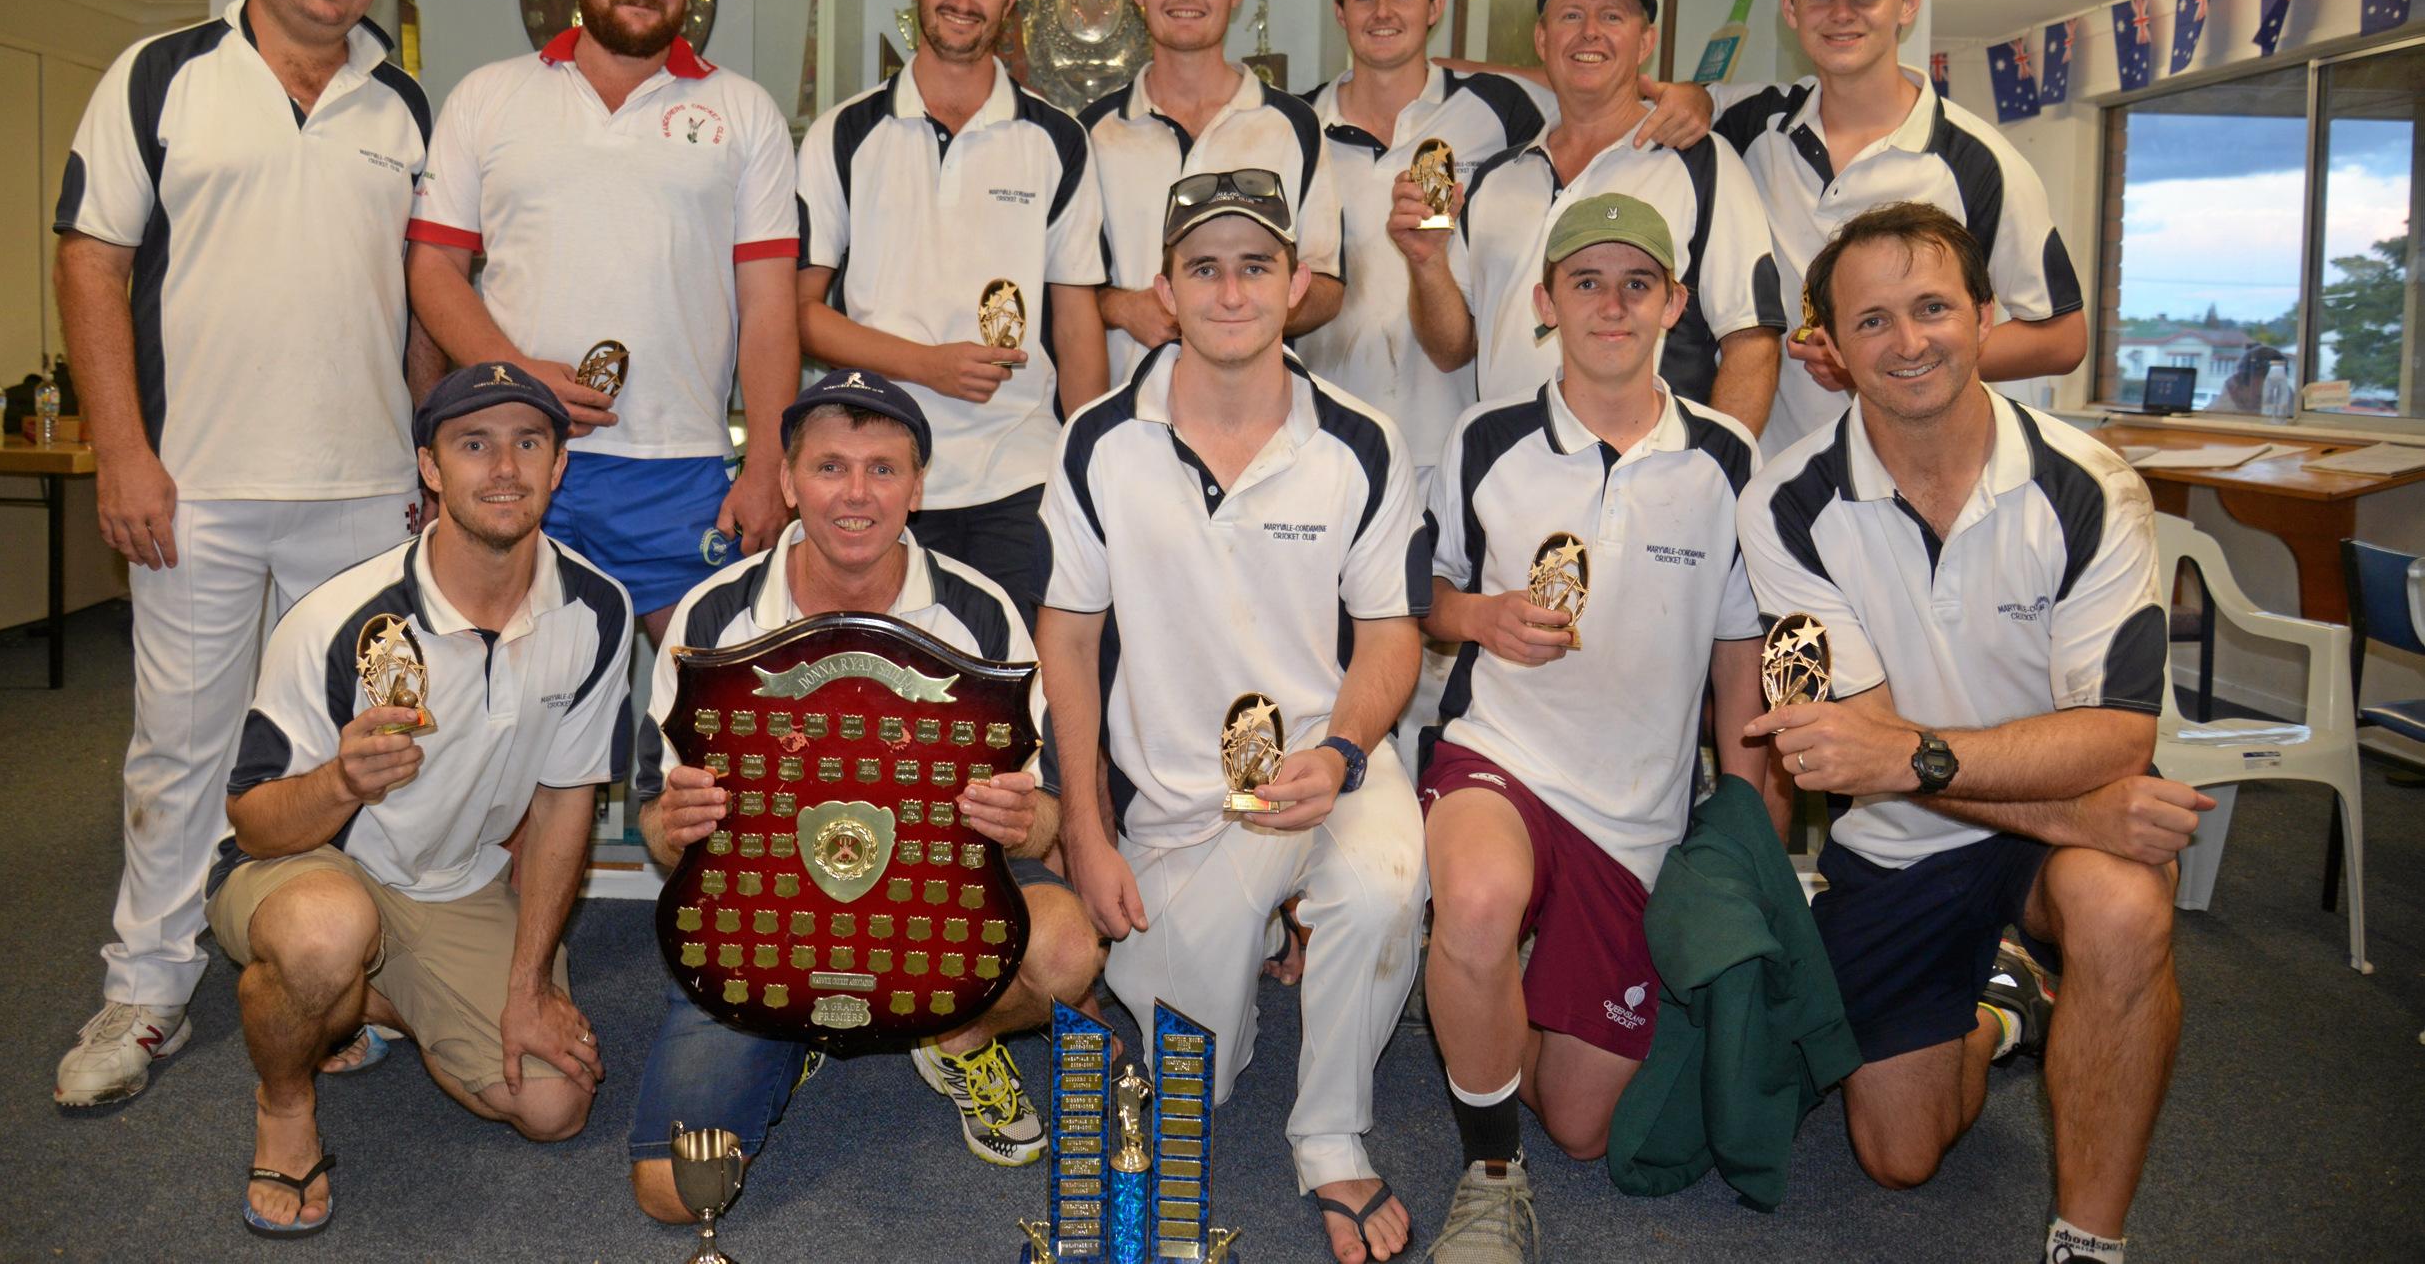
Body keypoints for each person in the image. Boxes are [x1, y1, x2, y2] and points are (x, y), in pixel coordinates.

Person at [1738, 202, 2213, 1264]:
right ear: (1830, 346)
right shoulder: (1783, 504)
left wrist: (1923, 758)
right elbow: (1860, 752)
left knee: (2123, 907)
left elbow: (2117, 740)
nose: (1908, 343)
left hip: (2046, 837)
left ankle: (2089, 1240)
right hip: (1910, 836)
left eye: (1933, 308)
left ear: (1986, 316)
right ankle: (2004, 1004)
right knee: (1898, 1156)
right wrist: (2076, 798)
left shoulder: (2092, 489)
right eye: (1871, 322)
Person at [51, 0, 441, 1109]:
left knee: (359, 745)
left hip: (365, 492)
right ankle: (147, 991)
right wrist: (123, 449)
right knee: (183, 746)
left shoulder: (404, 107)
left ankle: (351, 980)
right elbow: (91, 261)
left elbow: (424, 304)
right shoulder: (159, 75)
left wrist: (428, 458)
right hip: (195, 488)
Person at [1038, 173, 1429, 1264]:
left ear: (1297, 283)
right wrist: (1086, 828)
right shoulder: (1096, 440)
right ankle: (1257, 940)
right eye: (1202, 266)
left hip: (1321, 764)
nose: (1230, 290)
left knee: (1385, 883)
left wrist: (1347, 749)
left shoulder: (1362, 439)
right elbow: (1066, 636)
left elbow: (1393, 634)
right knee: (1189, 1085)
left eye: (1256, 265)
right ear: (1164, 288)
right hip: (1174, 810)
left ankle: (1333, 1138)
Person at [627, 369, 1104, 1221]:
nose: (856, 493)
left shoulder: (982, 613)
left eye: (883, 469)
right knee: (670, 1194)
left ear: (918, 486)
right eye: (830, 467)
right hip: (761, 918)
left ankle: (956, 1033)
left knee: (1069, 951)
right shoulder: (714, 618)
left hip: (942, 896)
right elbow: (656, 832)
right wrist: (676, 823)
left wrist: (1021, 818)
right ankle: (803, 1028)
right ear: (785, 479)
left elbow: (1047, 820)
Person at [1416, 195, 1782, 1262]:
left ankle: (1474, 1000)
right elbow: (1415, 598)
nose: (1611, 305)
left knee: (1580, 1126)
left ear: (1673, 301)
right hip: (1504, 757)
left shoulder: (1726, 460)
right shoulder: (1486, 437)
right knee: (1478, 904)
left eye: (1636, 284)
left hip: (1638, 809)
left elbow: (1737, 659)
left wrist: (1750, 831)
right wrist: (1480, 616)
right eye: (1585, 282)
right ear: (1545, 302)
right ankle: (1488, 1173)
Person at [206, 362, 635, 1237]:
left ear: (559, 465)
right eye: (474, 444)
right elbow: (250, 820)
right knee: (324, 935)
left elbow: (563, 806)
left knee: (554, 1106)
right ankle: (286, 1103)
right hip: (313, 864)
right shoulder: (339, 619)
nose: (504, 467)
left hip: (454, 881)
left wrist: (526, 988)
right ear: (431, 468)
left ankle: (369, 997)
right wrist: (338, 782)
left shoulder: (598, 610)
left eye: (528, 443)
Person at [1307, 0, 1718, 755]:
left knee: (1457, 677)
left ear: (1436, 9)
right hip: (1328, 450)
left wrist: (1682, 95)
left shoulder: (1498, 114)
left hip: (1456, 448)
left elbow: (1592, 76)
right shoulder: (1295, 125)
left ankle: (1439, 845)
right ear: (1340, 12)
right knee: (1327, 660)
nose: (1384, 11)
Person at [407, 0, 801, 640]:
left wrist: (766, 465)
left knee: (707, 710)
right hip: (518, 452)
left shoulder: (744, 112)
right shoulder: (488, 98)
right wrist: (512, 373)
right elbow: (431, 271)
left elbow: (770, 307)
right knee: (515, 705)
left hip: (680, 463)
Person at [797, 0, 1108, 621]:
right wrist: (926, 365)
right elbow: (801, 315)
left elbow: (1076, 317)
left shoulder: (1057, 139)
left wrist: (1088, 465)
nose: (963, 2)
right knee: (886, 706)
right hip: (873, 475)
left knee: (1016, 706)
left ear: (1011, 1)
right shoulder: (844, 133)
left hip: (1018, 476)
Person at [1714, 0, 2085, 452]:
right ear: (1790, 8)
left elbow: (2062, 338)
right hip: (1773, 475)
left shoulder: (1978, 161)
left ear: (1907, 3)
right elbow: (1617, 96)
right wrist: (1684, 98)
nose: (1842, 13)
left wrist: (1883, 355)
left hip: (1923, 475)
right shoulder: (1747, 124)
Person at [1396, 0, 1784, 440]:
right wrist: (1427, 261)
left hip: (1652, 481)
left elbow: (1752, 341)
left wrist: (1719, 471)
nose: (1590, 32)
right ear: (1542, 38)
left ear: (1645, 41)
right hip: (1510, 477)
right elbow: (1452, 349)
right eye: (1571, 16)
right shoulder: (1499, 176)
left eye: (1612, 17)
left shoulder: (1701, 161)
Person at [1086, 0, 1345, 381]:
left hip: (1265, 417)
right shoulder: (1093, 132)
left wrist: (1237, 316)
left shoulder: (1295, 125)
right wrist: (1123, 308)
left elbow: (1327, 285)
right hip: (1129, 422)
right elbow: (1066, 286)